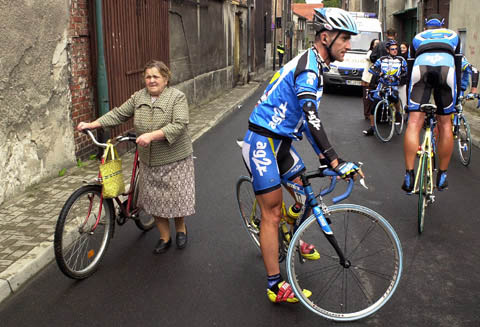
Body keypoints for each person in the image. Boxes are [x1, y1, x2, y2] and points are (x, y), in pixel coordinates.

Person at [241, 8, 363, 303]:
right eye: (344, 38)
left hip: (282, 142)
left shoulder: (316, 64)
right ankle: (275, 286)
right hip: (262, 142)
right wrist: (335, 160)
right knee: (271, 213)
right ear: (325, 36)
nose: (349, 45)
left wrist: (324, 158)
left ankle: (291, 236)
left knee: (306, 196)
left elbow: (305, 118)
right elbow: (311, 118)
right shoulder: (309, 69)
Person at [77, 60, 194, 254]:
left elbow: (180, 124)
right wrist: (93, 124)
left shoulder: (177, 97)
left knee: (176, 199)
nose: (151, 80)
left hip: (175, 158)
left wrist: (152, 135)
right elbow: (118, 114)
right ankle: (165, 237)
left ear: (165, 79)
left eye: (156, 76)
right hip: (149, 159)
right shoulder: (138, 97)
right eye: (148, 77)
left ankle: (181, 228)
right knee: (155, 201)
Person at [402, 14, 461, 192]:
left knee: (413, 123)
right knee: (445, 124)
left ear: (426, 26)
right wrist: (456, 101)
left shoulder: (417, 37)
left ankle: (409, 175)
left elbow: (410, 69)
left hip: (421, 69)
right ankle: (442, 175)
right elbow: (457, 66)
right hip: (447, 71)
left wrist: (408, 104)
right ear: (443, 25)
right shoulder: (453, 36)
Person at [363, 40, 407, 136]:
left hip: (393, 85)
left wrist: (399, 76)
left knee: (395, 98)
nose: (395, 51)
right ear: (388, 50)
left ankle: (398, 113)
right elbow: (372, 68)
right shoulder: (382, 59)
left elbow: (405, 71)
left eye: (396, 49)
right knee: (373, 106)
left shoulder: (401, 60)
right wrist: (380, 74)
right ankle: (372, 128)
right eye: (392, 49)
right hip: (382, 85)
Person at [361, 39, 380, 120]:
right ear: (372, 45)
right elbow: (370, 58)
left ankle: (373, 113)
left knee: (374, 97)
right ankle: (367, 113)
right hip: (368, 79)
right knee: (367, 98)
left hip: (375, 79)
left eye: (379, 44)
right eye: (376, 44)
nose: (377, 45)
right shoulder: (370, 53)